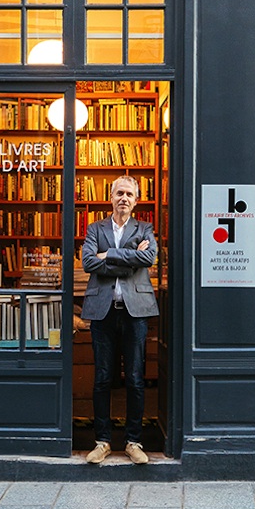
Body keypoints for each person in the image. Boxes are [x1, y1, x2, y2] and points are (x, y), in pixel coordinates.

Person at [80, 175, 158, 464]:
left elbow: (148, 257)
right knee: (102, 378)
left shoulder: (144, 228)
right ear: (110, 197)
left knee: (136, 379)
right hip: (103, 311)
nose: (124, 198)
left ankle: (133, 442)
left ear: (136, 201)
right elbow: (88, 262)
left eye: (129, 194)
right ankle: (102, 441)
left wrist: (108, 255)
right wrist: (128, 258)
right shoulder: (94, 228)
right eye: (119, 193)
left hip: (135, 311)